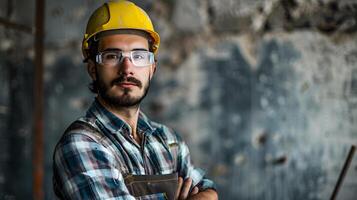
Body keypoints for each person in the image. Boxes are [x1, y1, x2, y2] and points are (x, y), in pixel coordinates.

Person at [52, 0, 218, 199]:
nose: (127, 68)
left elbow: (208, 190)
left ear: (152, 69)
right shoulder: (81, 143)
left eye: (139, 56)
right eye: (112, 56)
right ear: (93, 69)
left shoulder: (169, 141)